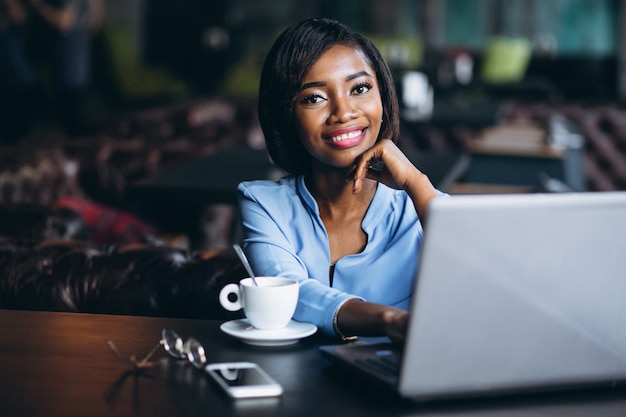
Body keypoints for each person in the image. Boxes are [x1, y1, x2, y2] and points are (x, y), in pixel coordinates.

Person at [237, 17, 443, 343]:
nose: (343, 112)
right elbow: (288, 291)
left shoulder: (420, 206)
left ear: (384, 98)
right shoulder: (264, 204)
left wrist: (417, 182)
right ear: (286, 115)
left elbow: (487, 273)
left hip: (397, 384)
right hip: (296, 386)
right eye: (314, 97)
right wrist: (390, 321)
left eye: (359, 89)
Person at [0, 0, 103, 141]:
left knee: (73, 105)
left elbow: (64, 22)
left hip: (67, 35)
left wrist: (36, 4)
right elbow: (15, 16)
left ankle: (82, 144)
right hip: (28, 34)